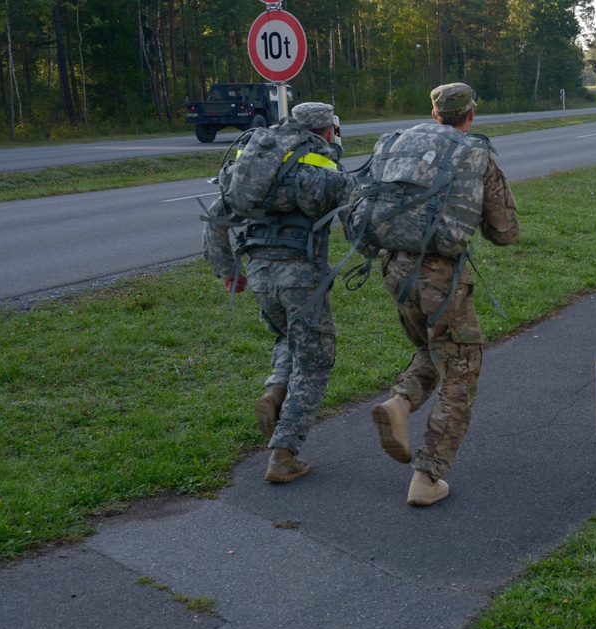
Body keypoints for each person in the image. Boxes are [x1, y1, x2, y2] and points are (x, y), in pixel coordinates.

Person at [370, 83, 520, 506]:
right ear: (470, 114)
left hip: (395, 269)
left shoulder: (403, 146)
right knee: (461, 372)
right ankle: (427, 477)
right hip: (441, 279)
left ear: (435, 114)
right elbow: (506, 232)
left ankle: (401, 402)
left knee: (433, 350)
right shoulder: (474, 154)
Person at [203, 102, 353, 483]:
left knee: (287, 338)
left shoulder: (259, 165)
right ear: (326, 131)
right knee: (316, 362)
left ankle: (275, 391)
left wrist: (227, 272)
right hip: (301, 275)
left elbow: (216, 219)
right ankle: (283, 455)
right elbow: (357, 219)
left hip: (259, 273)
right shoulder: (325, 164)